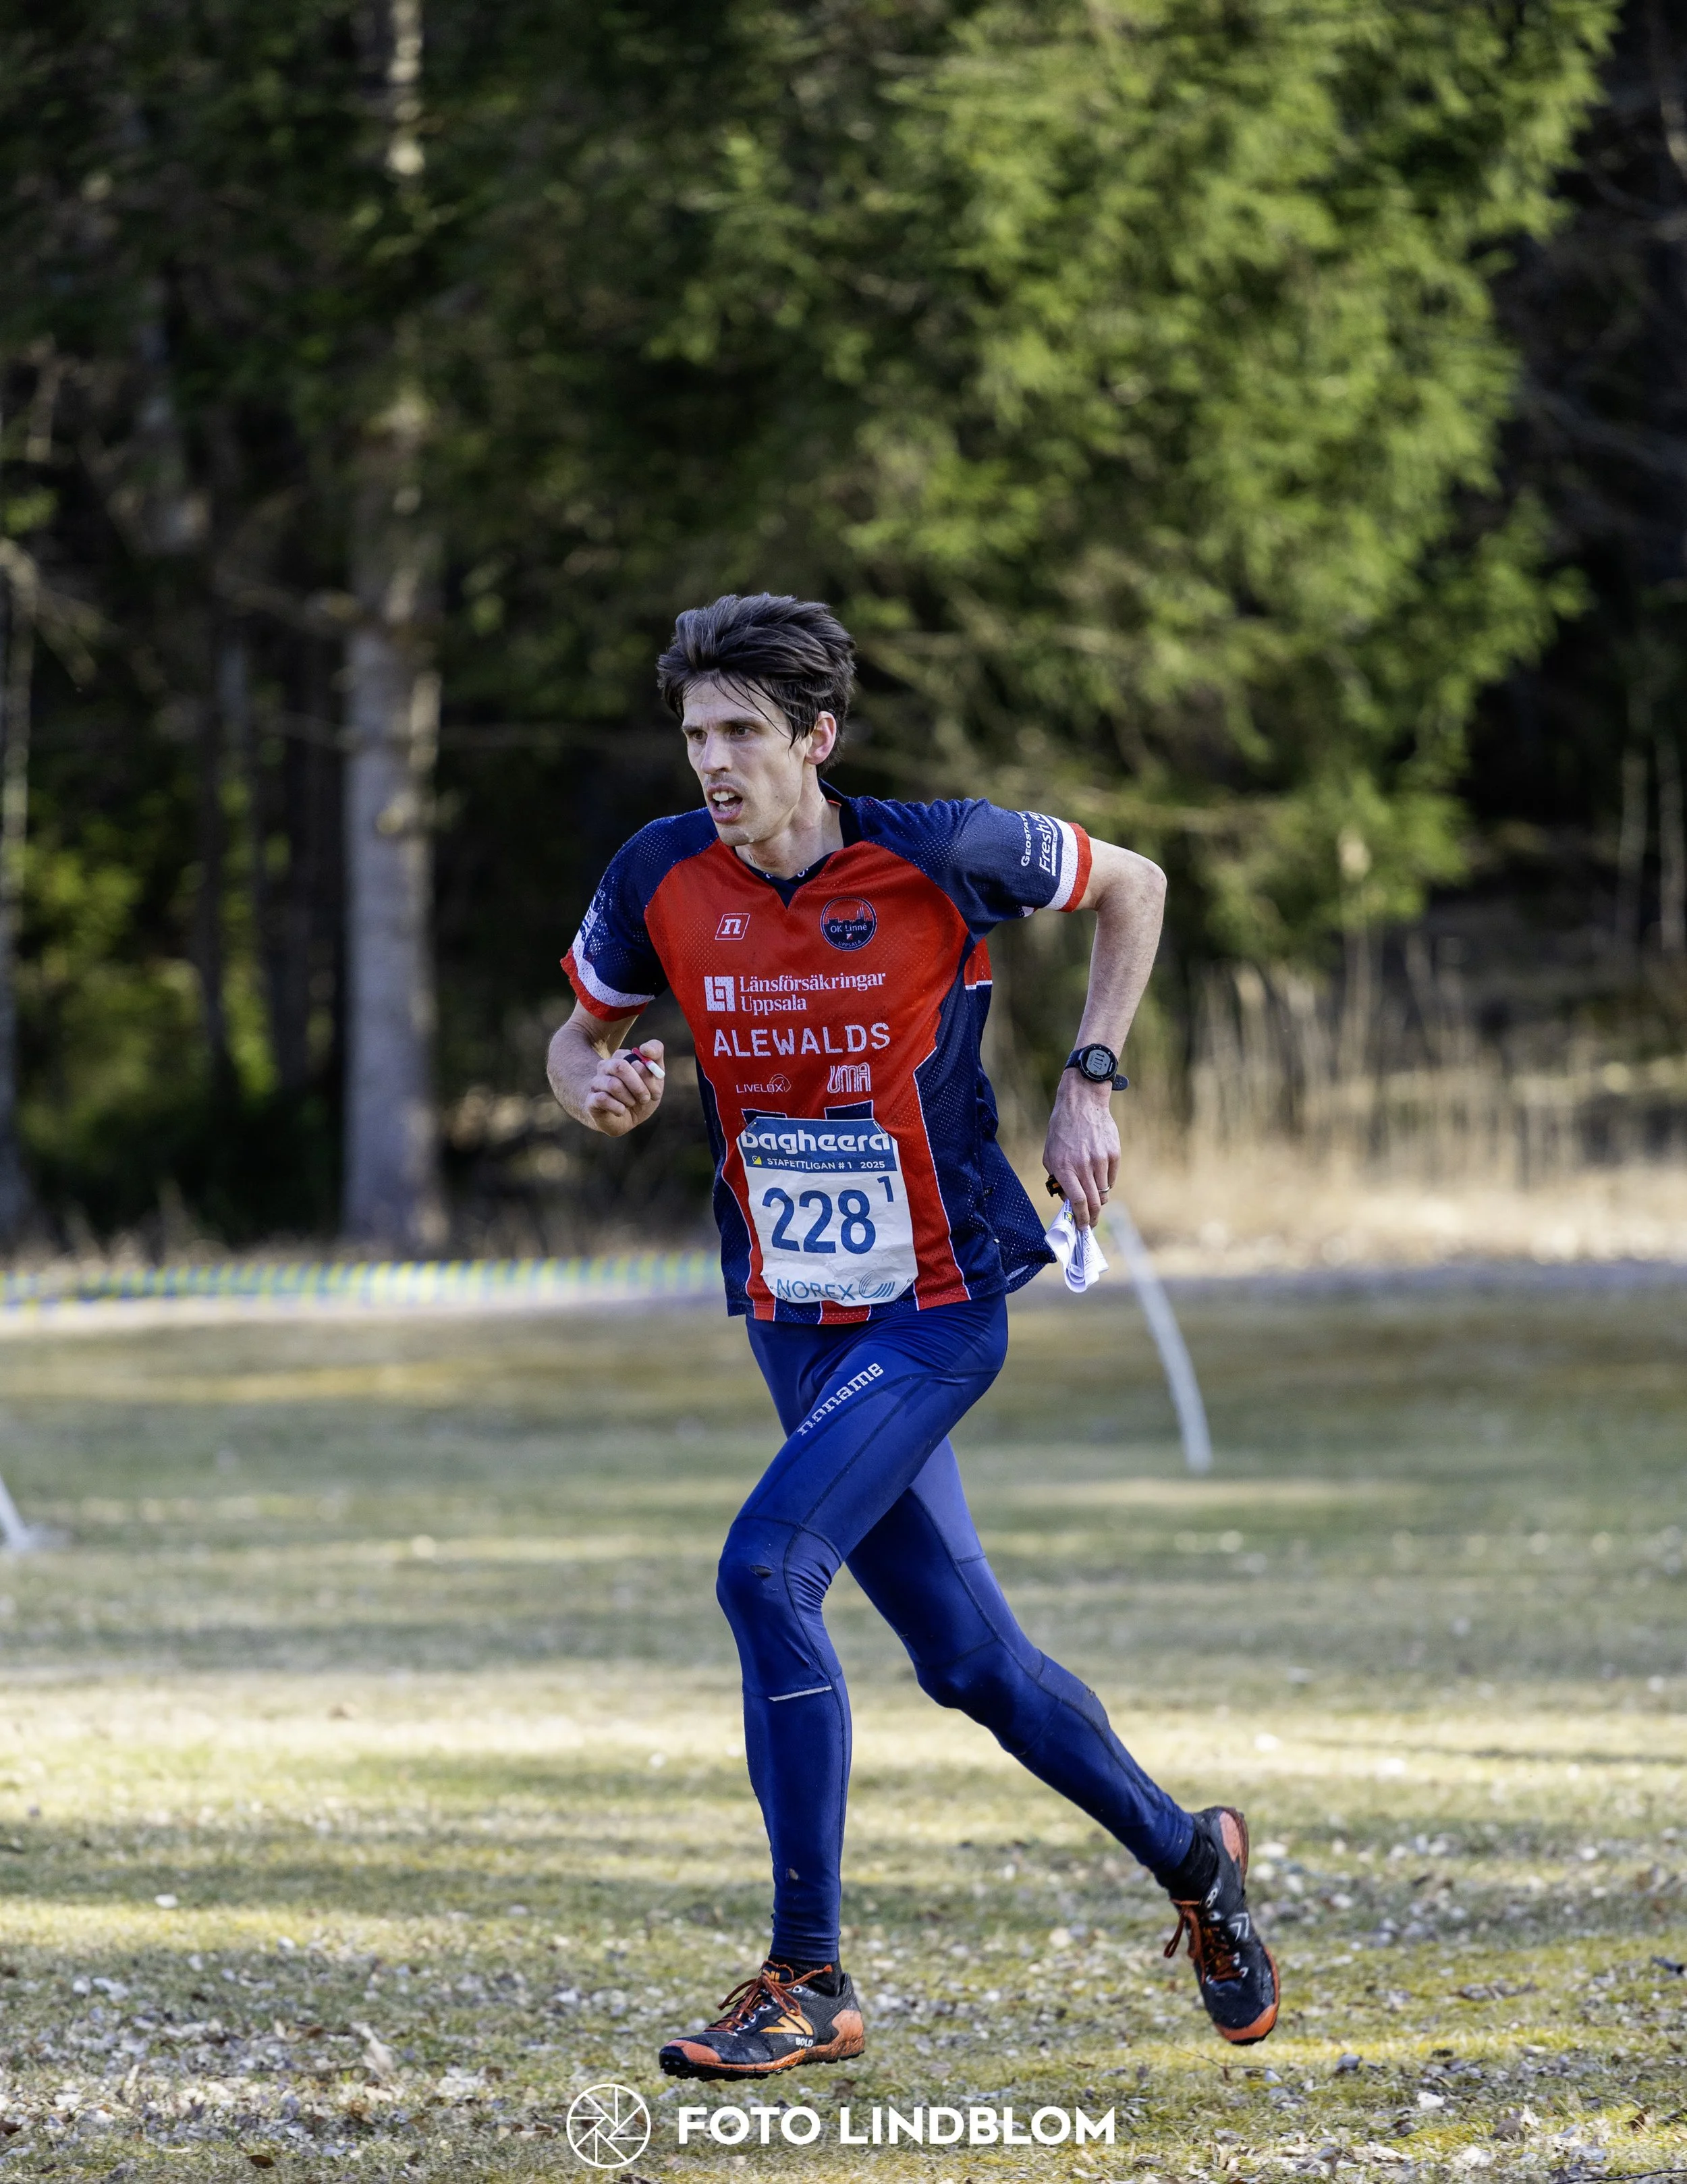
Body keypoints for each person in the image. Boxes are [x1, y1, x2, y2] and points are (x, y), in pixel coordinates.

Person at [548, 593, 1277, 2082]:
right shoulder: (657, 873)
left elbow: (1131, 882)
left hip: (937, 1305)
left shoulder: (940, 849)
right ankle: (1193, 1858)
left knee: (763, 1571)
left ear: (815, 739)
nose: (713, 761)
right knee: (969, 1664)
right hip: (789, 1318)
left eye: (744, 732)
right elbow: (580, 1031)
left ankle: (806, 1975)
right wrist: (591, 1084)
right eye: (695, 734)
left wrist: (1090, 1074)